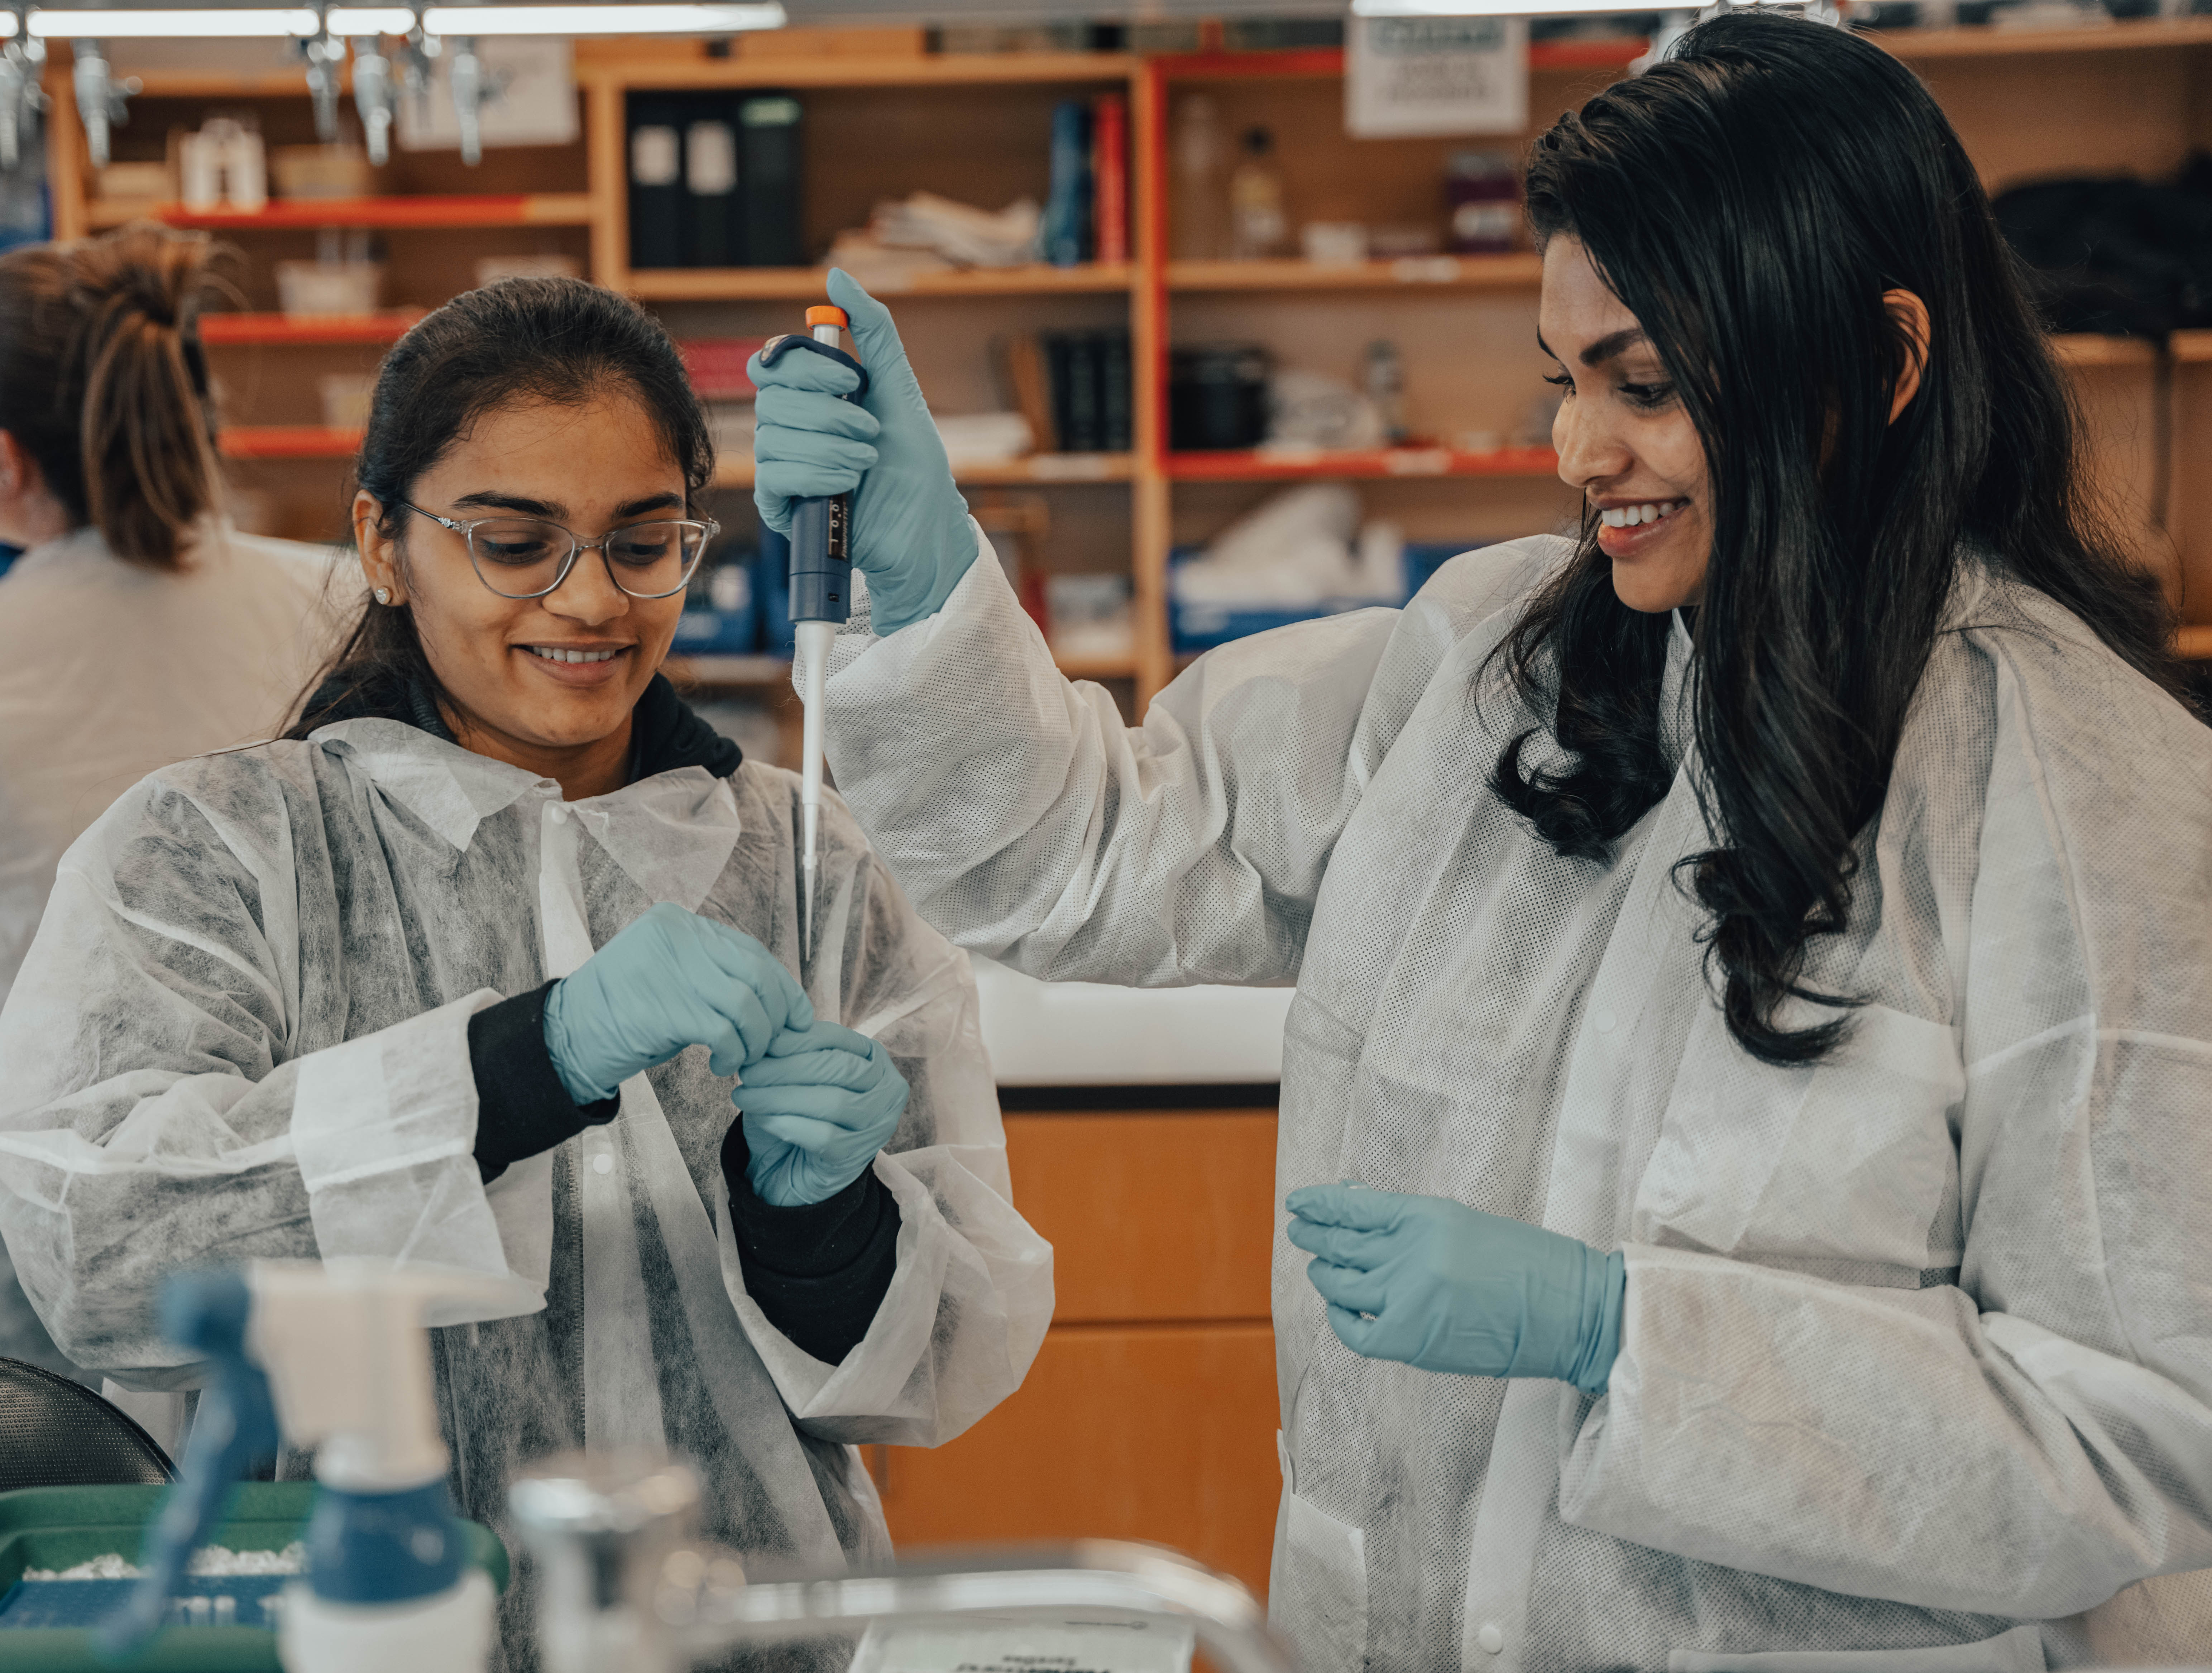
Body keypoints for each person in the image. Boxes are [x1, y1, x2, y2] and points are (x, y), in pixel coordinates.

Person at [748, 14, 2212, 1670]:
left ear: (1880, 363)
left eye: (1645, 385)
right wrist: (926, 578)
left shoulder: (2083, 795)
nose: (1580, 454)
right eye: (1564, 380)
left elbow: (2140, 1430)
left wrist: (1619, 1334)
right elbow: (1095, 850)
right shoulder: (1495, 665)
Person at [0, 277, 1052, 1668]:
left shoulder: (801, 861)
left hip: (749, 1633)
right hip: (371, 1639)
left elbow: (937, 1357)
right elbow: (99, 1250)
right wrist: (528, 1058)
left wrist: (818, 1219)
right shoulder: (213, 854)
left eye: (642, 543)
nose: (589, 602)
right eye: (512, 543)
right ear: (382, 540)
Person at [0, 224, 338, 1382]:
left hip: (49, 1262)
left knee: (91, 1549)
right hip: (343, 1208)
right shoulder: (344, 607)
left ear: (6, 466)